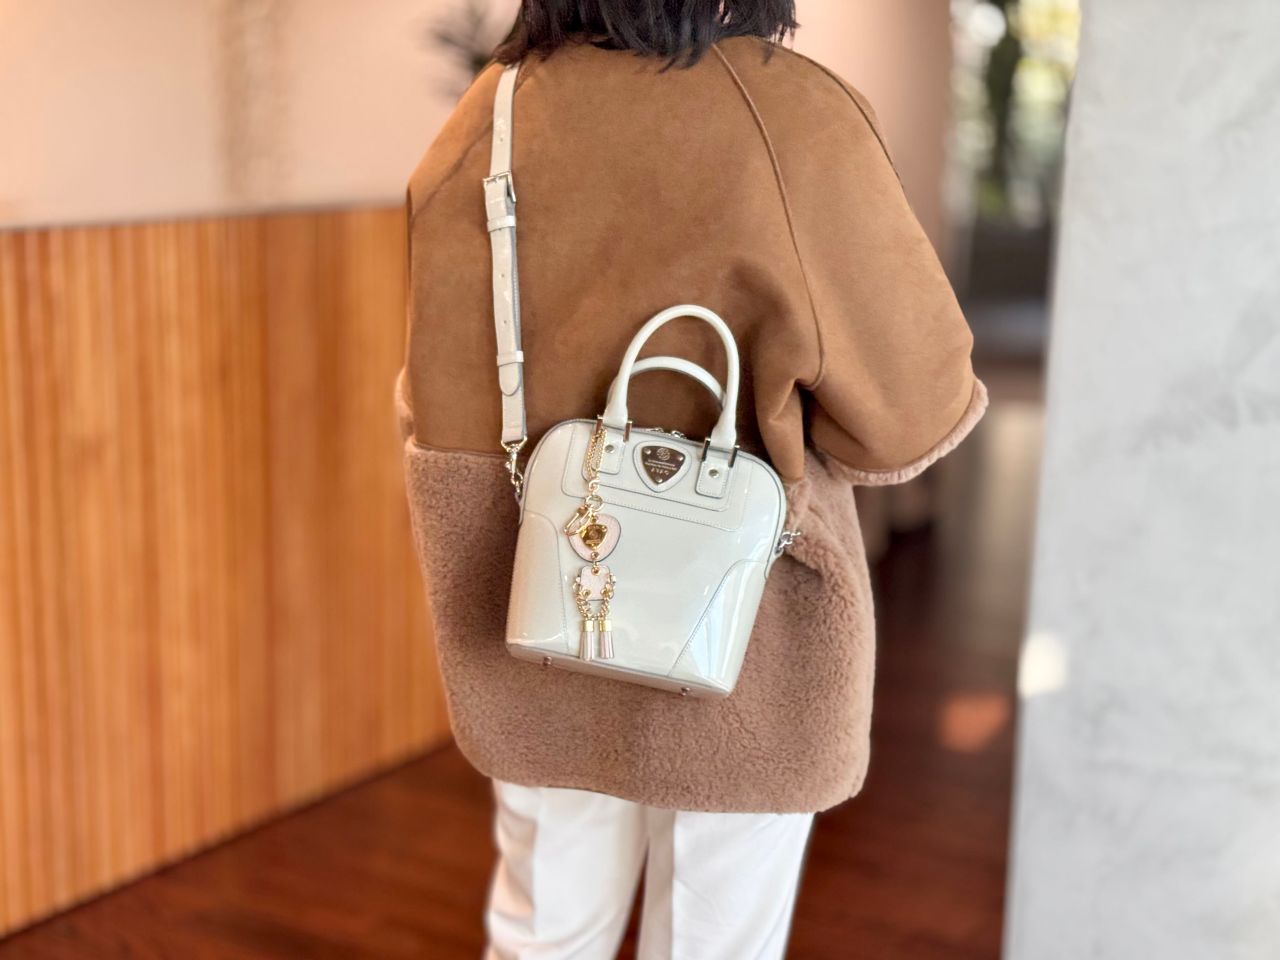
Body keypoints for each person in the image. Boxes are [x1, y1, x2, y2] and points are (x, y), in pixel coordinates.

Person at [397, 3, 986, 957]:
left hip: (539, 608)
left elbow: (435, 401)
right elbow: (912, 412)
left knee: (543, 935)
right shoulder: (790, 113)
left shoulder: (491, 113)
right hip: (744, 632)